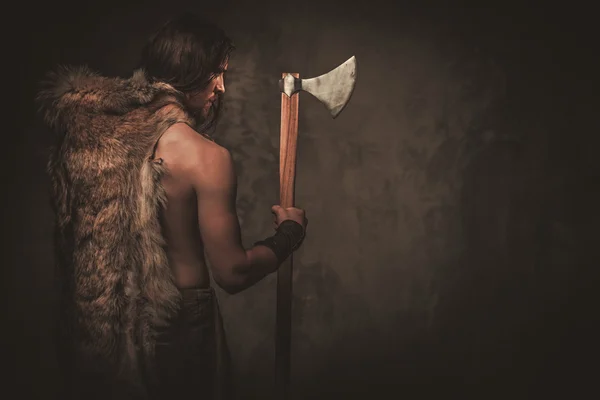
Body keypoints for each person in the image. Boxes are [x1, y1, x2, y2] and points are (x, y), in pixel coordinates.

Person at [37, 12, 307, 400]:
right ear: (188, 73)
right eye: (216, 73)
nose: (222, 87)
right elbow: (233, 273)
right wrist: (289, 234)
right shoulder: (205, 156)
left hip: (110, 328)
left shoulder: (102, 142)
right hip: (180, 323)